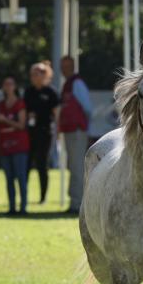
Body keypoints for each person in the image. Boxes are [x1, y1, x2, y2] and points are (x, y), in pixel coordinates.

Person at [0, 77, 29, 215]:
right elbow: (0, 122)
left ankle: (23, 207)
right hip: (4, 145)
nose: (8, 86)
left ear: (15, 86)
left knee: (21, 177)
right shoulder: (1, 104)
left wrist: (5, 120)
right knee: (9, 178)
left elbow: (21, 125)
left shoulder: (20, 104)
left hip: (19, 146)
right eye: (5, 84)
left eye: (10, 84)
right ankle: (12, 207)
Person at [58, 55, 93, 216]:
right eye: (62, 66)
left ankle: (78, 203)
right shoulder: (68, 84)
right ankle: (75, 201)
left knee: (77, 167)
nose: (64, 69)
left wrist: (83, 127)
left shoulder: (76, 83)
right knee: (73, 166)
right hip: (70, 130)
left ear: (73, 67)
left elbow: (87, 108)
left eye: (67, 66)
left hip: (77, 131)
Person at [24, 62, 59, 204]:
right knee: (26, 164)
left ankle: (43, 197)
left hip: (45, 133)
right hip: (29, 132)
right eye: (33, 73)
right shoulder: (28, 92)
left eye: (38, 72)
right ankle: (23, 195)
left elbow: (57, 114)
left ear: (46, 74)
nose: (35, 76)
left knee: (42, 164)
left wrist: (58, 132)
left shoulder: (51, 92)